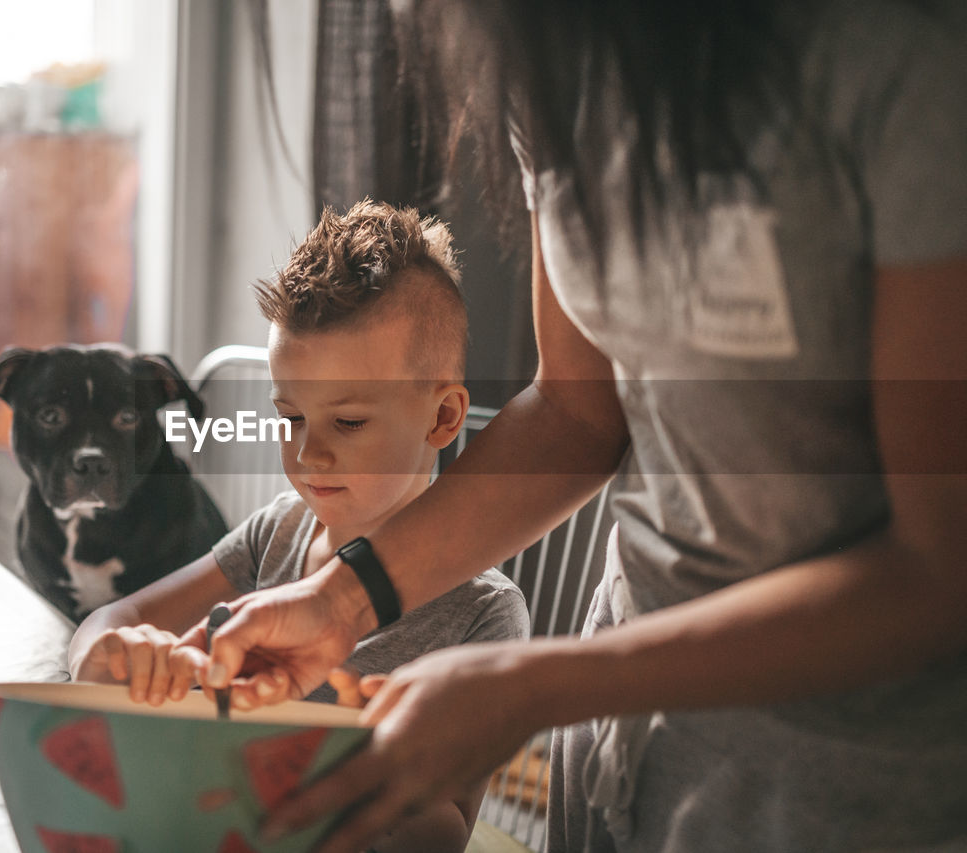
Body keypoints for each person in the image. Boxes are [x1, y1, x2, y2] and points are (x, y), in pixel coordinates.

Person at [187, 2, 967, 852]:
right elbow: (574, 415)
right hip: (620, 747)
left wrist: (535, 683)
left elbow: (939, 563)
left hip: (846, 776)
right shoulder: (557, 81)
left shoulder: (902, 62)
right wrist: (339, 601)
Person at [67, 199, 531, 853]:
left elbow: (446, 833)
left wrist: (319, 765)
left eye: (348, 423)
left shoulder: (484, 613)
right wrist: (107, 650)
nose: (309, 454)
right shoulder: (275, 533)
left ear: (443, 417)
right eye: (290, 418)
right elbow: (114, 620)